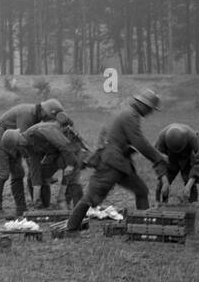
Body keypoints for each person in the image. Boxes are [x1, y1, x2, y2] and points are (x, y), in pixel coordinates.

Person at [63, 89, 167, 233]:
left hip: (120, 163)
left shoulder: (126, 114)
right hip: (112, 164)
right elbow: (139, 142)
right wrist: (159, 157)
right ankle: (71, 229)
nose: (150, 112)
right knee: (90, 197)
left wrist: (124, 148)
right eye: (150, 109)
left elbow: (108, 135)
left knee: (141, 190)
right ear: (143, 105)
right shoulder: (130, 116)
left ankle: (143, 226)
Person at [23, 115, 86, 209]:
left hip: (73, 156)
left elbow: (69, 167)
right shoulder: (43, 134)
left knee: (73, 181)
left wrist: (61, 195)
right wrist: (36, 194)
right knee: (42, 175)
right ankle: (43, 206)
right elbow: (35, 166)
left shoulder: (69, 141)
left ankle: (77, 210)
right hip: (57, 155)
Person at [155, 122, 199, 203]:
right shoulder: (161, 138)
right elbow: (157, 160)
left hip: (187, 159)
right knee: (161, 186)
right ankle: (160, 207)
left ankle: (192, 207)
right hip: (170, 160)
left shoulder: (192, 137)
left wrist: (188, 186)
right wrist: (165, 181)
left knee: (191, 186)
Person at [0, 127, 30, 218]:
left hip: (13, 140)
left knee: (18, 173)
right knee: (2, 175)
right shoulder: (28, 116)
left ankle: (21, 208)